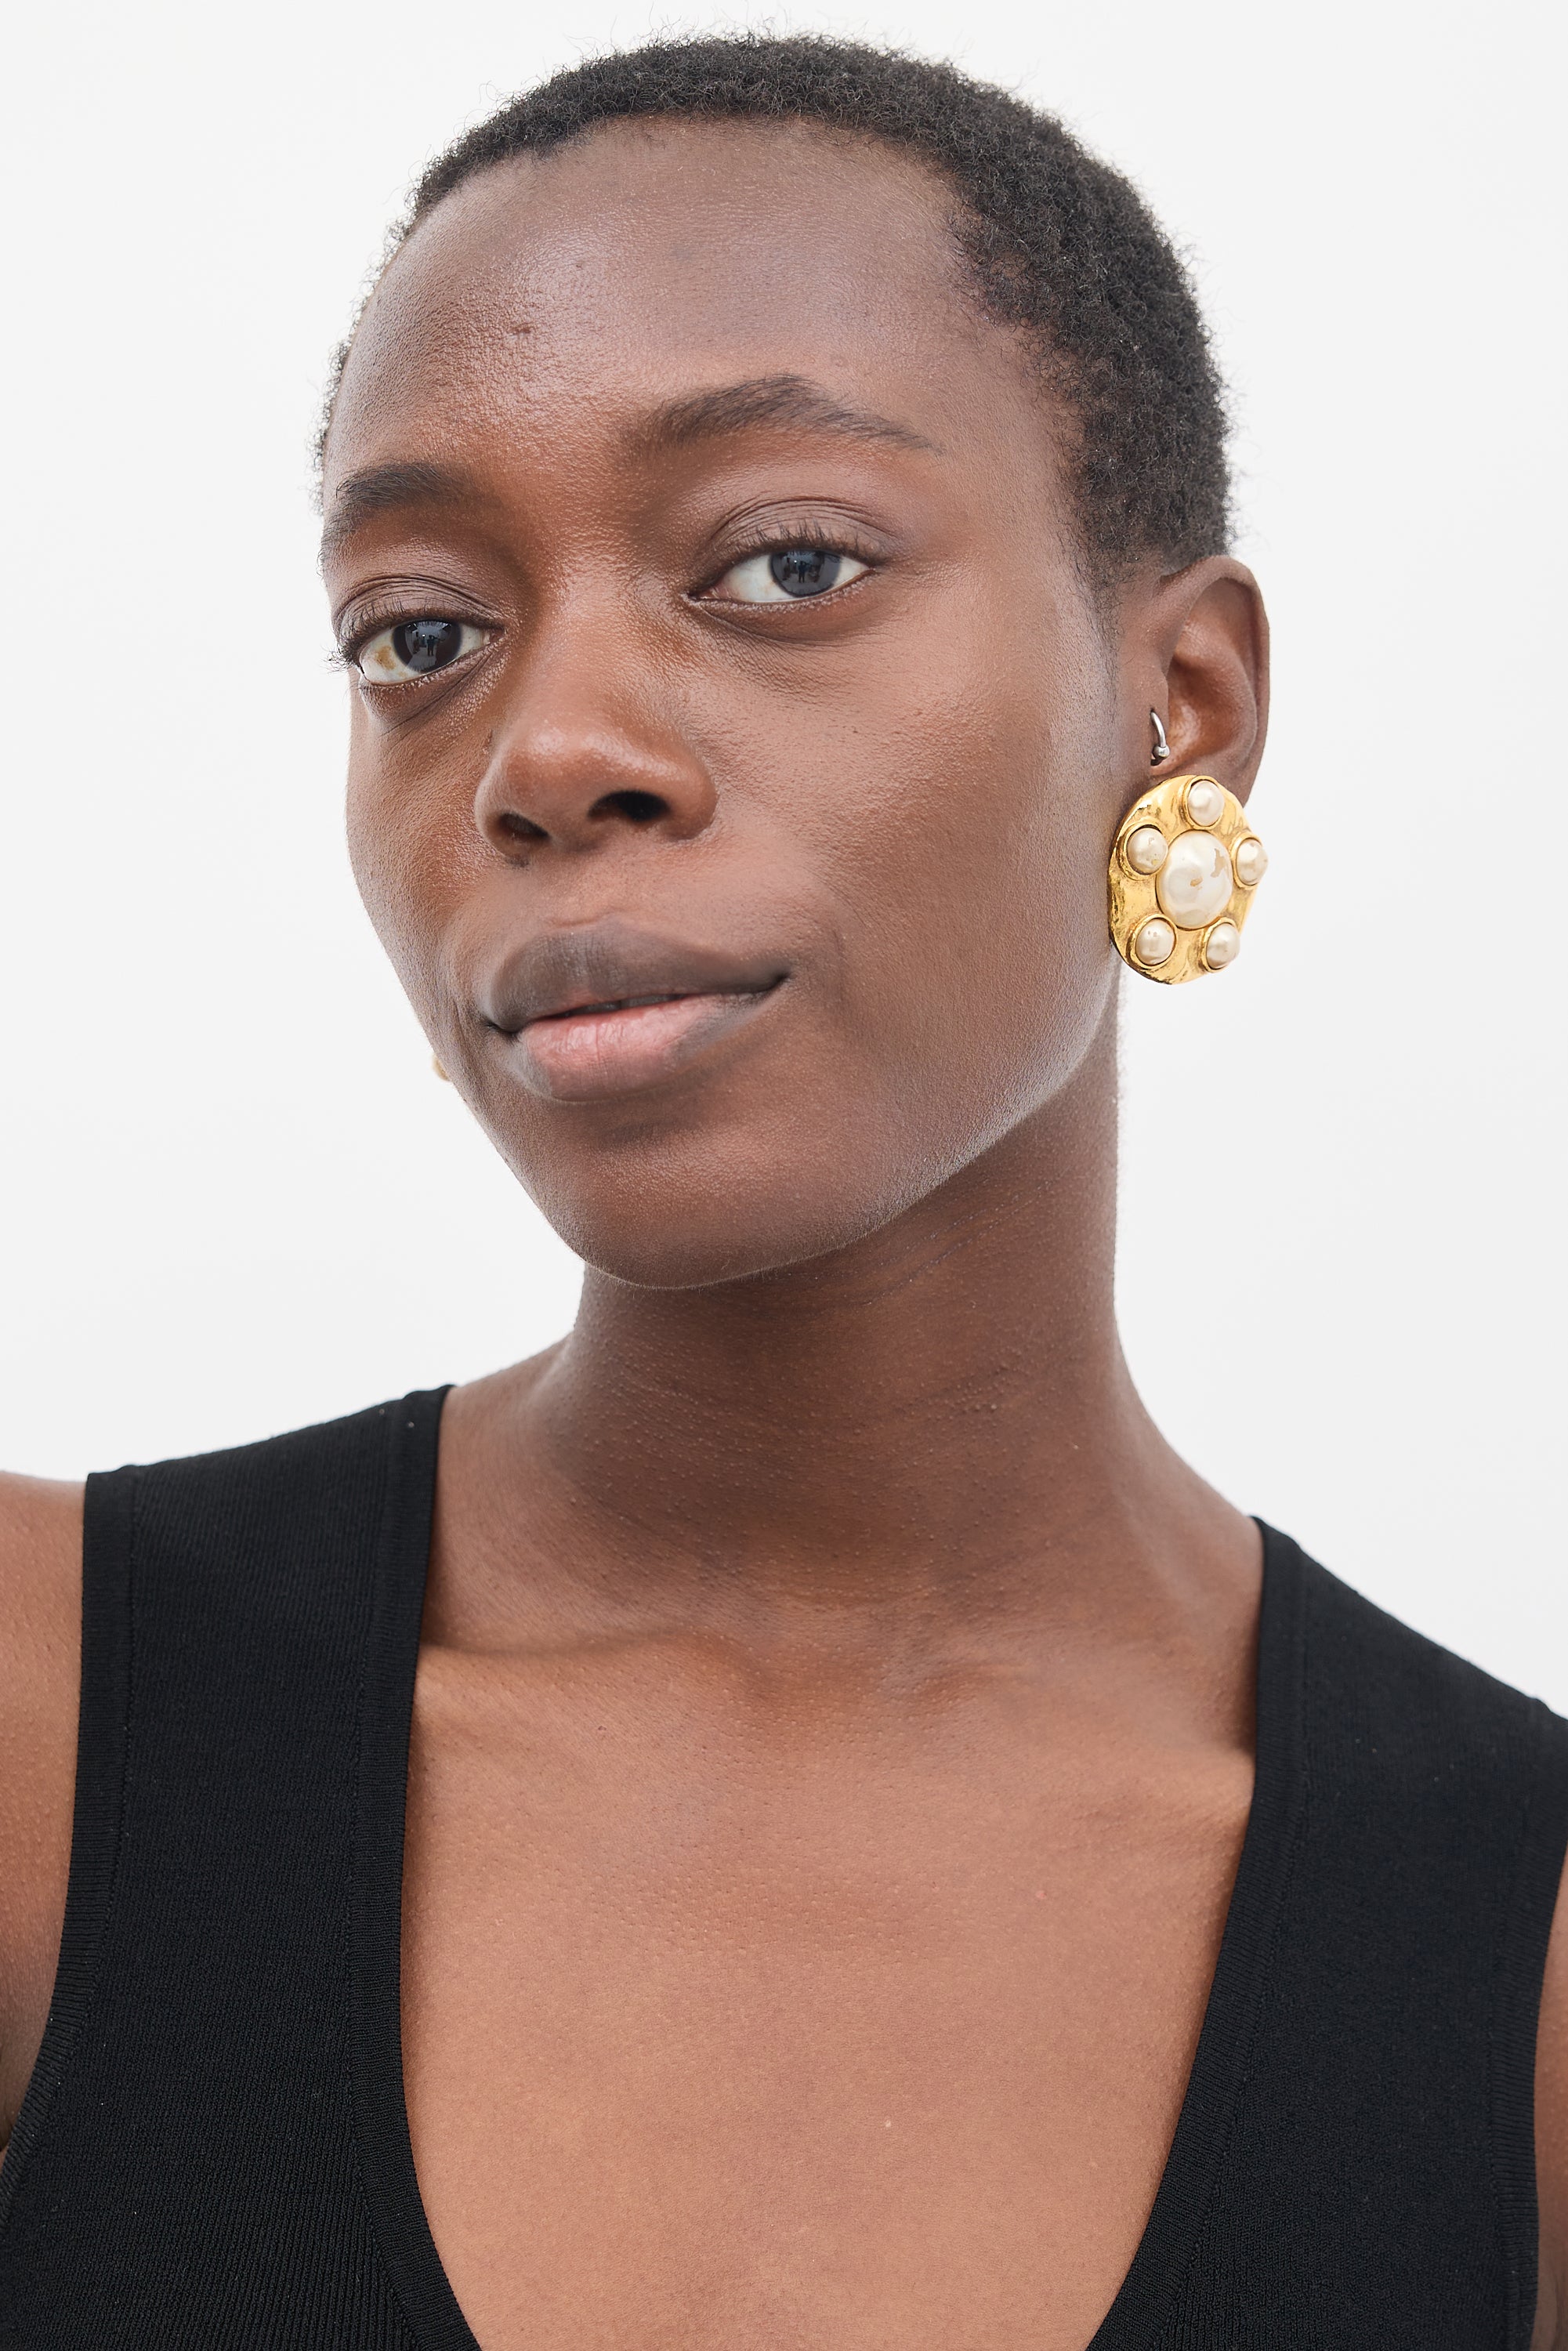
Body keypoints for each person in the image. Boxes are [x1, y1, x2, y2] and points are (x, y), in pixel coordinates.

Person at [1, 34, 1563, 2349]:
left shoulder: (1525, 1972)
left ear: (1185, 703)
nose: (548, 757)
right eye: (423, 634)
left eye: (785, 565)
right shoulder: (39, 1721)